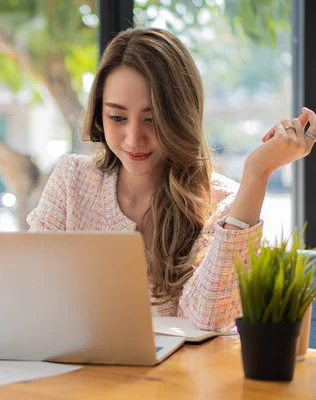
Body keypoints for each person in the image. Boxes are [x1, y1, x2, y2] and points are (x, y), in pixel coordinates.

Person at [26, 27, 316, 332]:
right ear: (100, 115)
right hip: (79, 374)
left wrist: (257, 175)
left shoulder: (222, 202)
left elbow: (210, 319)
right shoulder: (72, 180)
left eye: (152, 119)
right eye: (118, 118)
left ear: (180, 117)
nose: (134, 139)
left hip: (180, 379)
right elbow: (29, 292)